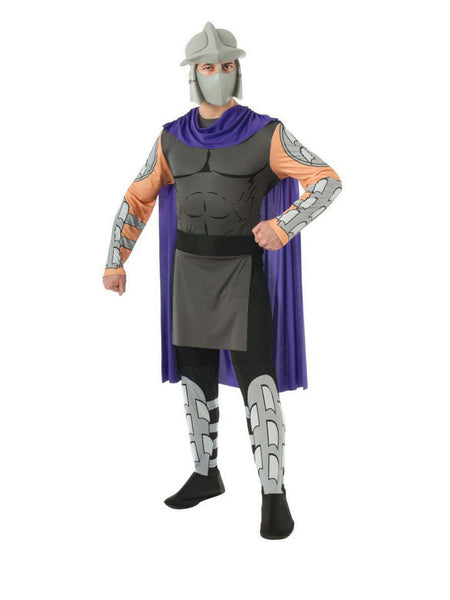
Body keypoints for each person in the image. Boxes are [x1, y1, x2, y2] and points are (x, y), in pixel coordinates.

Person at [103, 22, 342, 539]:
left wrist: (284, 224)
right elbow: (138, 197)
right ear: (194, 74)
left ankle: (274, 494)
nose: (218, 74)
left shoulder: (266, 133)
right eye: (209, 66)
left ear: (238, 71)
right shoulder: (171, 137)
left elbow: (325, 180)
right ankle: (205, 474)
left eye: (227, 65)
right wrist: (115, 260)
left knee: (259, 383)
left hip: (241, 271)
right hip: (188, 272)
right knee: (195, 378)